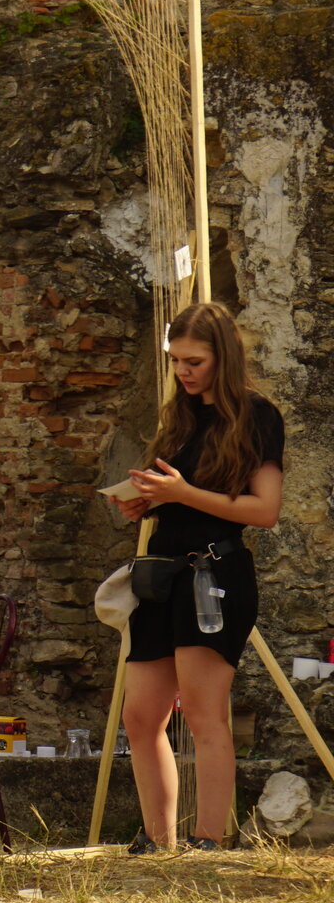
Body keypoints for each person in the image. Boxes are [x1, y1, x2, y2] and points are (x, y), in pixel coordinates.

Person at [115, 301, 284, 851]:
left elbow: (265, 510)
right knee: (140, 716)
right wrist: (149, 504)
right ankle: (158, 839)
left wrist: (182, 494)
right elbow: (180, 497)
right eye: (176, 361)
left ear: (223, 358)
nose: (184, 372)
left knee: (206, 714)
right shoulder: (180, 417)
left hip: (215, 575)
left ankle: (211, 839)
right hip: (162, 577)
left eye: (195, 361)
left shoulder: (257, 415)